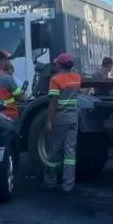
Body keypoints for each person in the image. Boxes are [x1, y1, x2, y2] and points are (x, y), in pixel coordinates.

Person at [44, 53, 81, 193]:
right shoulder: (77, 78)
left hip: (60, 119)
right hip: (73, 119)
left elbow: (53, 104)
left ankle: (50, 181)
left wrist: (48, 122)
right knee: (70, 154)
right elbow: (74, 72)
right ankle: (68, 185)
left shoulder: (55, 80)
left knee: (53, 152)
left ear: (59, 65)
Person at [0, 50, 24, 120]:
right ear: (2, 61)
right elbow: (20, 97)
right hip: (9, 115)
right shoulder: (7, 78)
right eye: (8, 60)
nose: (9, 62)